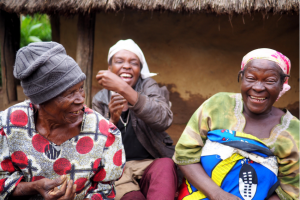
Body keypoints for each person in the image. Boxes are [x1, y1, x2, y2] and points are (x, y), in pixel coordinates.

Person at [0, 42, 125, 200]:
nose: (81, 99)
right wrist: (34, 187)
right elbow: (2, 180)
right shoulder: (10, 125)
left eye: (80, 88)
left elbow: (105, 192)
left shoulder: (104, 134)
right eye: (69, 93)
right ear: (40, 101)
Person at [173, 48, 299, 200]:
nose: (258, 87)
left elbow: (290, 191)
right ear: (241, 77)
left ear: (282, 84)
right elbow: (185, 156)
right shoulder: (217, 105)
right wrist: (218, 195)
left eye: (270, 81)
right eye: (251, 78)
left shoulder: (293, 131)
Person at [92, 39, 177, 200]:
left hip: (150, 163)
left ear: (140, 69)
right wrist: (112, 120)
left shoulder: (148, 86)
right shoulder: (100, 99)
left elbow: (164, 119)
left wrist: (123, 88)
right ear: (110, 69)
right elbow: (96, 147)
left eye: (134, 62)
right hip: (119, 169)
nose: (126, 66)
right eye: (119, 61)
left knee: (166, 164)